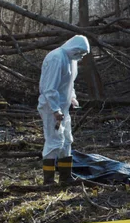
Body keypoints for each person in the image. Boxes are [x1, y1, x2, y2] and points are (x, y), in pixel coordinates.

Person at [37, 35, 90, 184]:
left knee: (66, 140)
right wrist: (55, 109)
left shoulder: (71, 60)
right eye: (79, 52)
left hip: (63, 108)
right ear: (73, 47)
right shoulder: (56, 58)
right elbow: (49, 88)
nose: (79, 56)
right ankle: (48, 181)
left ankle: (66, 177)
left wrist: (72, 98)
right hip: (51, 108)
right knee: (54, 141)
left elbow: (68, 84)